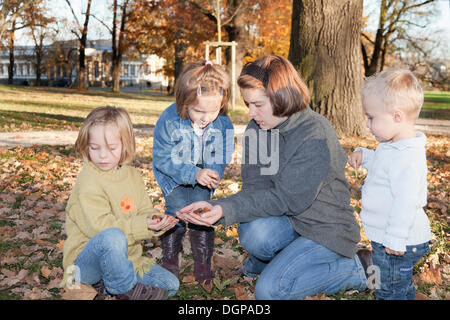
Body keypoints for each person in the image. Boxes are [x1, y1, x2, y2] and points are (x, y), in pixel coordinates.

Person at [177, 55, 367, 300]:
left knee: (269, 292)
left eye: (258, 104)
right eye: (248, 104)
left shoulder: (315, 134)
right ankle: (280, 262)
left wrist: (224, 208)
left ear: (282, 96)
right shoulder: (258, 129)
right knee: (253, 233)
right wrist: (216, 207)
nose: (251, 112)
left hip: (325, 231)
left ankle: (356, 269)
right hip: (290, 222)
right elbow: (255, 190)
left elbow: (286, 199)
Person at [60, 106, 180, 300]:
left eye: (111, 148)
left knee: (170, 285)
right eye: (94, 148)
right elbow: (99, 229)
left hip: (128, 260)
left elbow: (144, 211)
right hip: (86, 266)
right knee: (113, 237)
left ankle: (107, 288)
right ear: (85, 145)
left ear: (125, 144)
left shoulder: (133, 176)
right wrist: (140, 225)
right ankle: (124, 290)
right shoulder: (88, 180)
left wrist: (155, 220)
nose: (102, 155)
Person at [348, 68, 431, 300]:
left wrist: (395, 237)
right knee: (395, 285)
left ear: (397, 116)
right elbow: (384, 164)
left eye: (371, 117)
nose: (367, 124)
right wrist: (365, 155)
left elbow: (405, 201)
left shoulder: (407, 158)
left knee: (389, 289)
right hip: (387, 239)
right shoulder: (393, 146)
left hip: (398, 242)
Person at [152, 61, 234, 285]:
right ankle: (170, 260)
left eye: (214, 111)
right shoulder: (169, 120)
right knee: (176, 211)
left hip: (203, 180)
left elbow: (222, 153)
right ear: (184, 101)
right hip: (173, 176)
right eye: (198, 111)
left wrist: (213, 173)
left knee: (201, 215)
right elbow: (162, 158)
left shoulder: (223, 123)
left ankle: (203, 264)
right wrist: (192, 173)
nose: (205, 118)